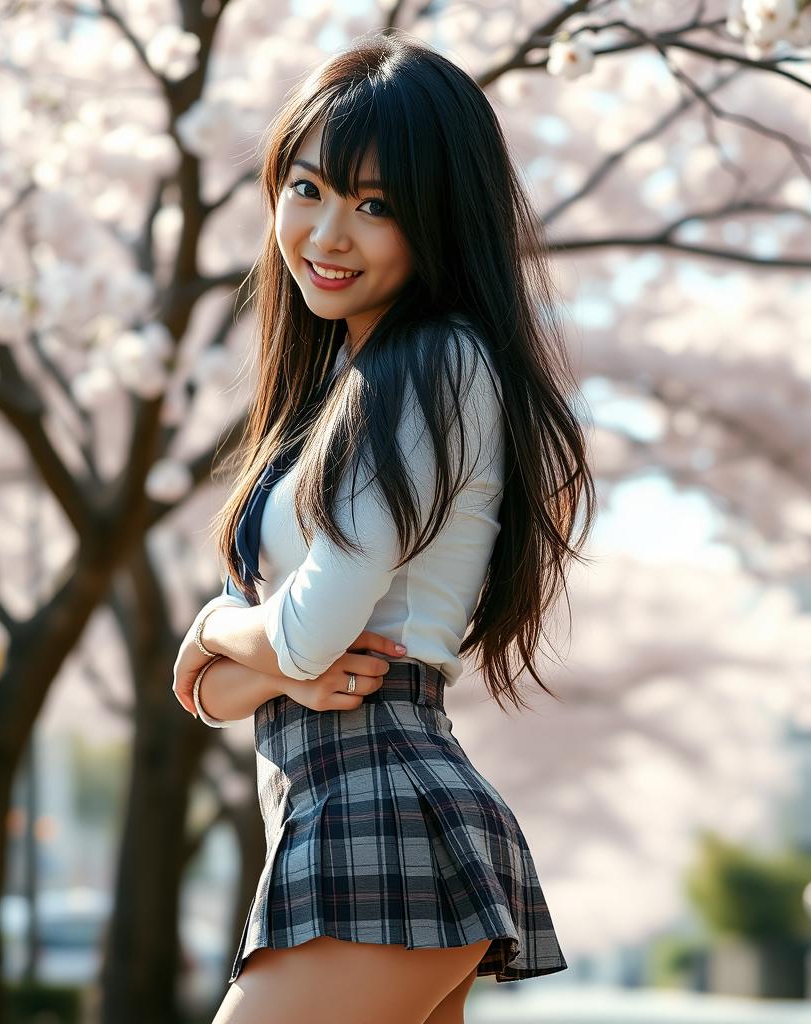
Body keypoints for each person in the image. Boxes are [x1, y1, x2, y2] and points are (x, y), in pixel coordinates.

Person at [170, 29, 596, 1024]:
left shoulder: (436, 363)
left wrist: (209, 630)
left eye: (377, 206)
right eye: (308, 188)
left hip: (381, 808)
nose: (327, 233)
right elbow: (228, 696)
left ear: (439, 222)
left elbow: (299, 641)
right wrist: (244, 659)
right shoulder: (335, 398)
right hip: (341, 808)